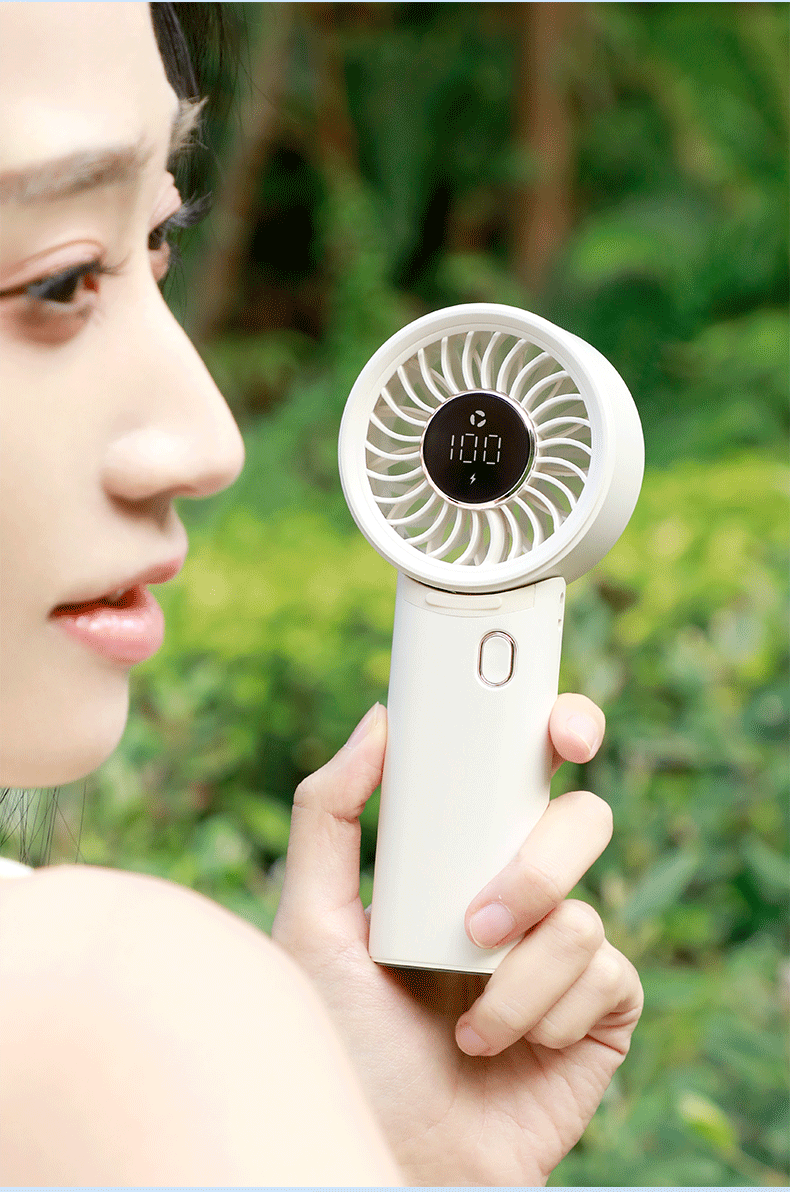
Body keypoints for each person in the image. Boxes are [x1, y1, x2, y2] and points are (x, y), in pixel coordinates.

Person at [0, 3, 643, 1185]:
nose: (209, 440)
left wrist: (386, 1146)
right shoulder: (104, 1011)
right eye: (60, 279)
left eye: (159, 242)